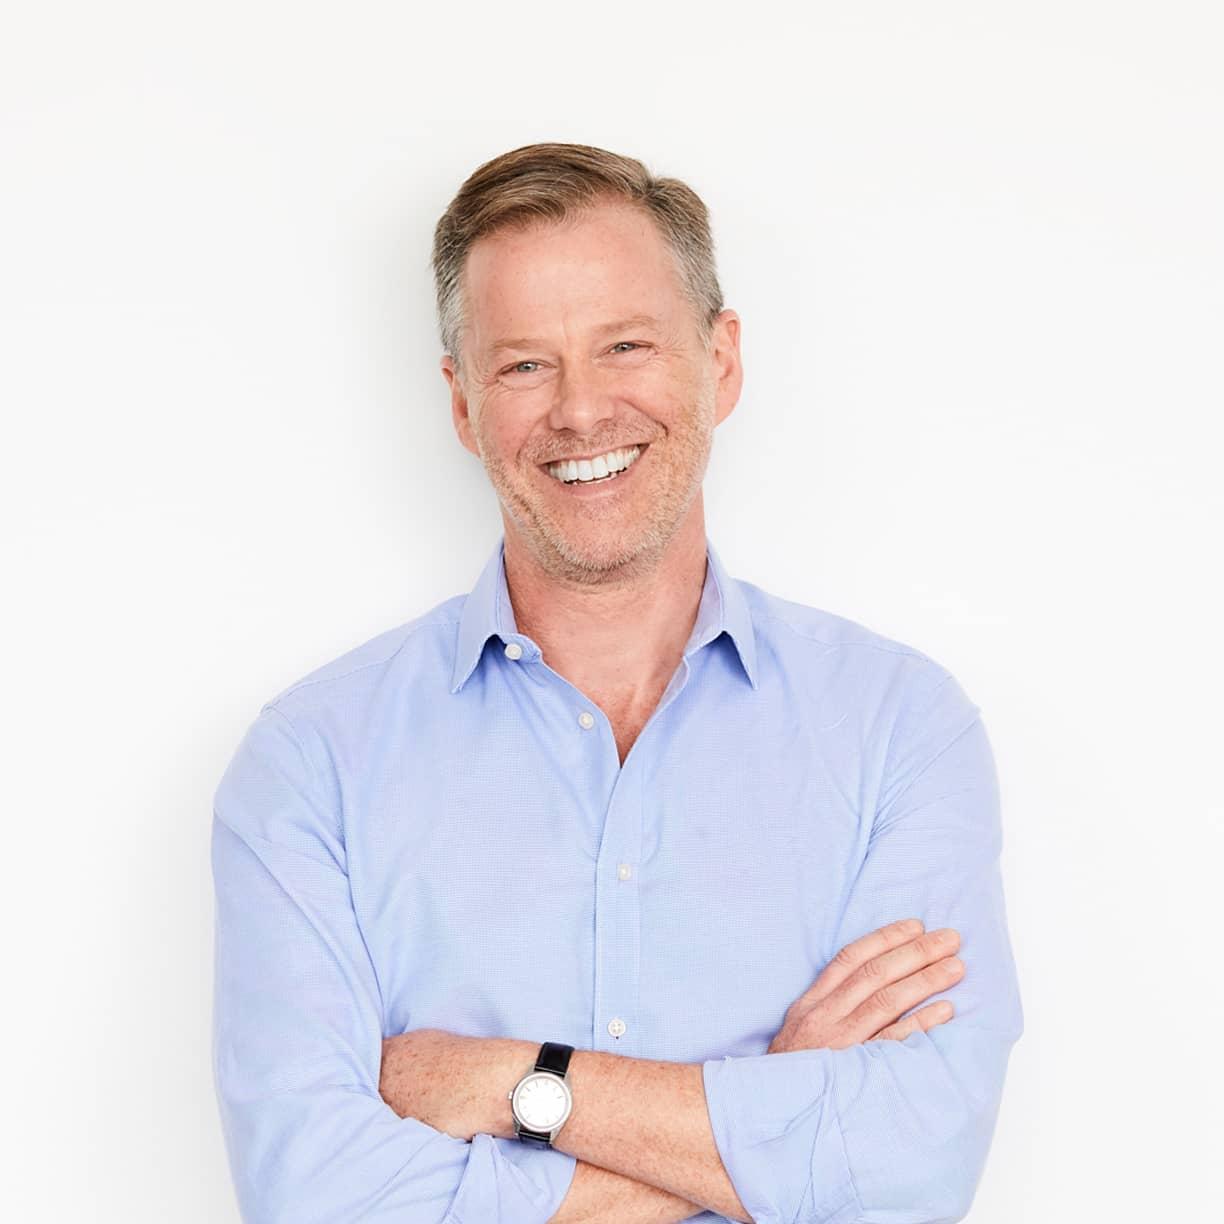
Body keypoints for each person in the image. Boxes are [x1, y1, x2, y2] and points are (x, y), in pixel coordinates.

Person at [210, 142, 1023, 1224]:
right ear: (463, 404)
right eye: (523, 365)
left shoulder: (900, 729)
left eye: (626, 345)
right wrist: (774, 1113)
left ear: (721, 363)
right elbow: (314, 1198)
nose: (582, 411)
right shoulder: (312, 761)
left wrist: (514, 1083)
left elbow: (913, 1167)